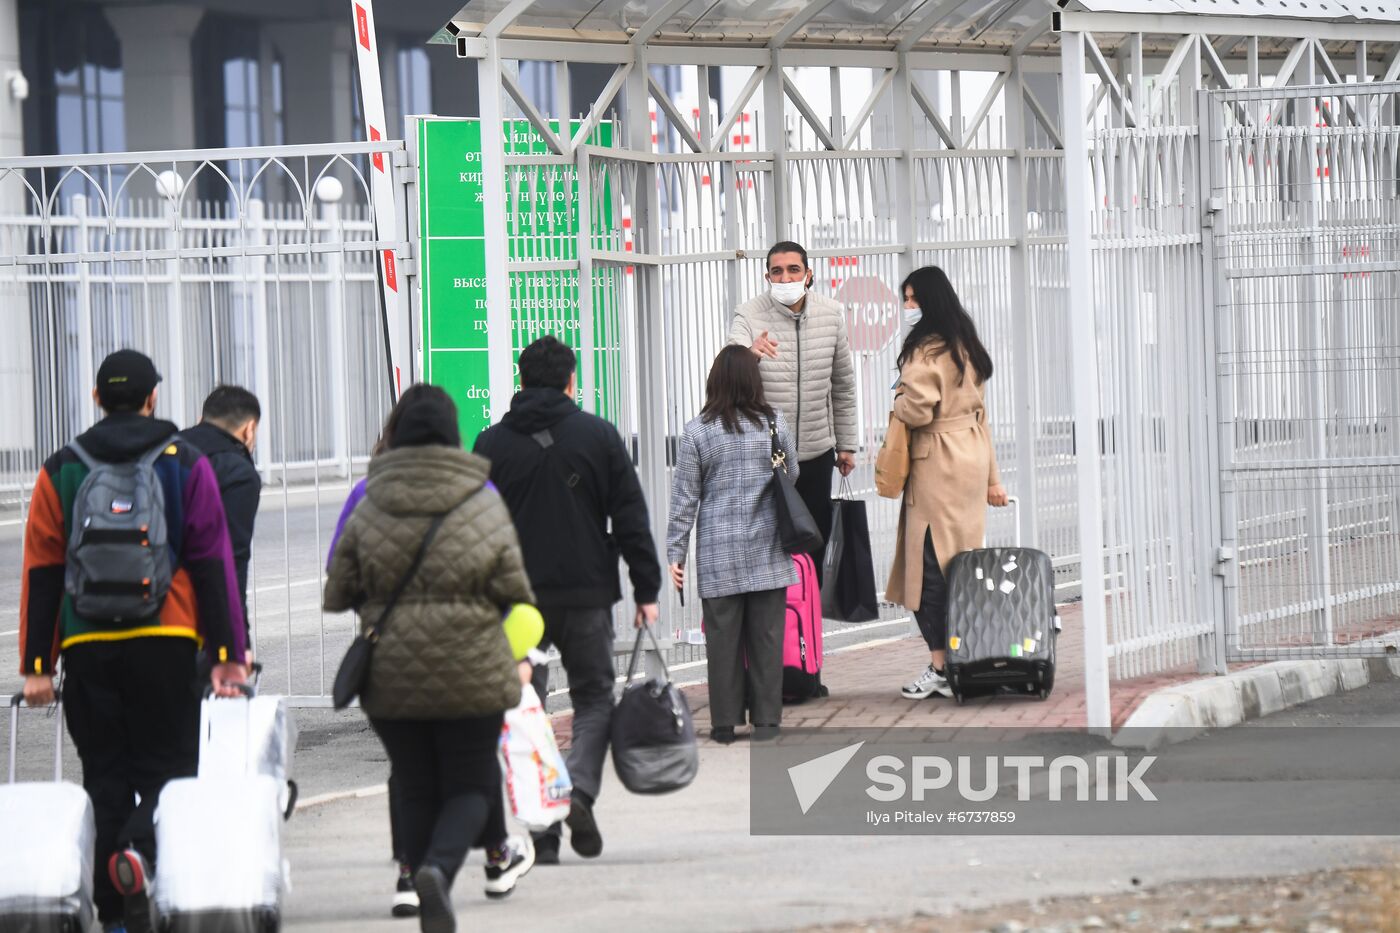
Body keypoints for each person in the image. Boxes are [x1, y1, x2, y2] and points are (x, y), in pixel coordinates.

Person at [18, 348, 249, 933]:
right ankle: (141, 859)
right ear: (153, 399)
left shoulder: (60, 468)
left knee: (105, 776)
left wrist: (38, 665)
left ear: (97, 399)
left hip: (87, 644)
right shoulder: (184, 462)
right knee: (172, 771)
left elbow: (43, 569)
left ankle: (117, 916)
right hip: (167, 638)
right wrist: (227, 655)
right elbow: (212, 561)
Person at [323, 385, 535, 933]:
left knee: (413, 781)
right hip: (474, 668)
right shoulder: (481, 495)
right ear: (451, 432)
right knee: (468, 785)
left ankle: (412, 876)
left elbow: (338, 591)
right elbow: (514, 589)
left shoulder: (370, 498)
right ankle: (439, 871)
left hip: (391, 674)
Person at [473, 335, 662, 865]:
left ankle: (542, 830)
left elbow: (475, 528)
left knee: (524, 706)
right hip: (585, 592)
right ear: (570, 381)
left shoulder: (490, 445)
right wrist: (646, 589)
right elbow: (630, 516)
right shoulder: (597, 435)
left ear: (521, 379)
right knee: (594, 698)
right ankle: (578, 791)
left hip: (515, 605)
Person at [883, 267, 1009, 701]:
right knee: (962, 561)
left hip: (937, 461)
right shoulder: (965, 343)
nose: (908, 308)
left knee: (926, 569)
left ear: (930, 301)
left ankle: (941, 665)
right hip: (970, 457)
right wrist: (993, 479)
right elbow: (982, 416)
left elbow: (917, 410)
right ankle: (968, 655)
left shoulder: (928, 350)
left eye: (914, 299)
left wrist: (897, 395)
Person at [666, 346, 797, 744]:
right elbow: (791, 473)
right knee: (767, 638)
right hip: (768, 548)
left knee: (722, 641)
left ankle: (724, 724)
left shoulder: (697, 431)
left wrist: (676, 554)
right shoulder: (774, 423)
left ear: (715, 381)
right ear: (753, 382)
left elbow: (685, 498)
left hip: (718, 554)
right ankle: (767, 721)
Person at [729, 240, 858, 581]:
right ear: (767, 276)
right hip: (765, 456)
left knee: (813, 546)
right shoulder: (749, 314)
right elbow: (729, 362)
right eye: (777, 271)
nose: (785, 278)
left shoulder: (831, 314)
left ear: (808, 273)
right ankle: (775, 628)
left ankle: (806, 626)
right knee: (768, 548)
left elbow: (843, 385)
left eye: (793, 270)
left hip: (816, 453)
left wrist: (846, 444)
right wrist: (750, 353)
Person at [179, 385, 261, 635]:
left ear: (200, 420)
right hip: (195, 619)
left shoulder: (162, 450)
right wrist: (238, 640)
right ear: (249, 430)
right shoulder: (237, 472)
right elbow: (232, 559)